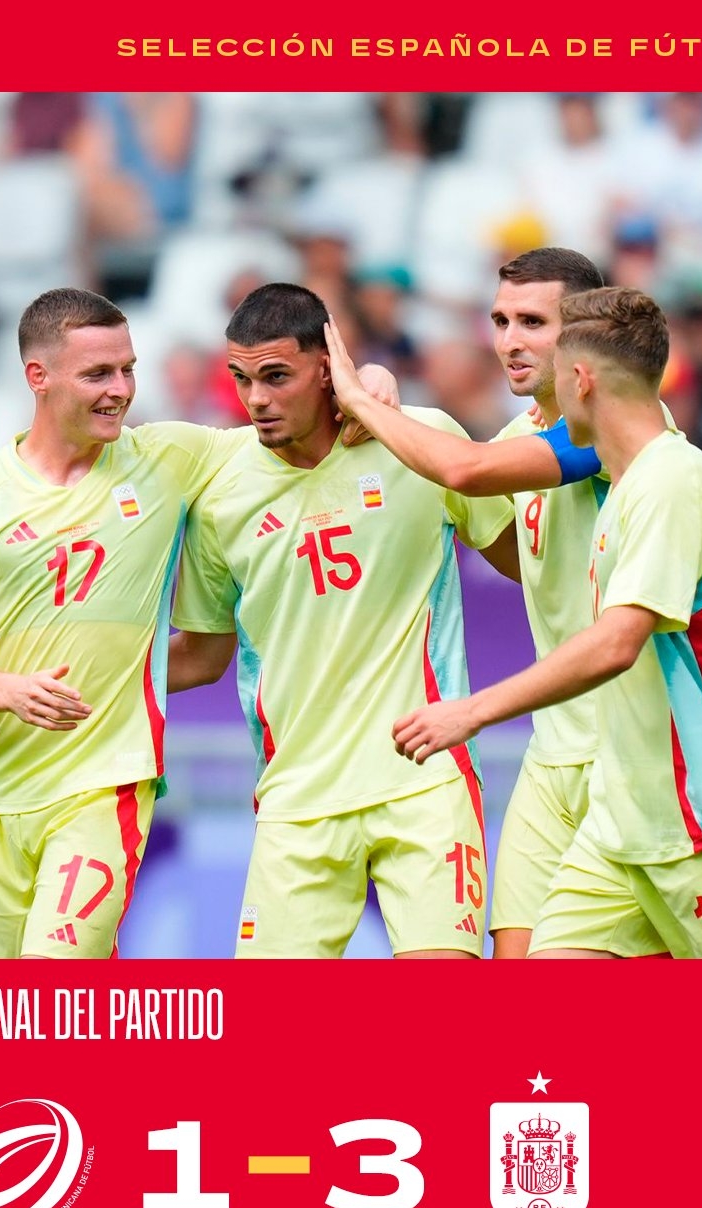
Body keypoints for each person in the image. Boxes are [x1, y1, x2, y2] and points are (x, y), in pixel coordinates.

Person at [351, 287, 702, 959]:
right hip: (623, 821)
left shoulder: (670, 482)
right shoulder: (625, 485)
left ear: (581, 380)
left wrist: (471, 711)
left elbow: (618, 642)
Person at [168, 283, 517, 959]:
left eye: (276, 376)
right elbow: (204, 656)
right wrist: (92, 684)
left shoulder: (422, 441)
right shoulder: (221, 495)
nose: (256, 399)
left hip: (425, 780)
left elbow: (530, 568)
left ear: (327, 368)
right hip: (297, 798)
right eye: (241, 379)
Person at [0, 288, 241, 958]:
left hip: (106, 787)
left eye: (128, 369)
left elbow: (291, 430)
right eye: (98, 374)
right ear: (38, 377)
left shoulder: (169, 458)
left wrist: (377, 387)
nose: (120, 390)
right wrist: (10, 691)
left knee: (53, 987)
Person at [326, 246, 623, 959]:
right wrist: (385, 389)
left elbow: (463, 469)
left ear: (585, 333)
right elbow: (524, 559)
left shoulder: (615, 422)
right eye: (500, 321)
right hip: (554, 754)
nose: (510, 341)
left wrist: (362, 396)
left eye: (533, 322)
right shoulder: (519, 438)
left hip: (635, 749)